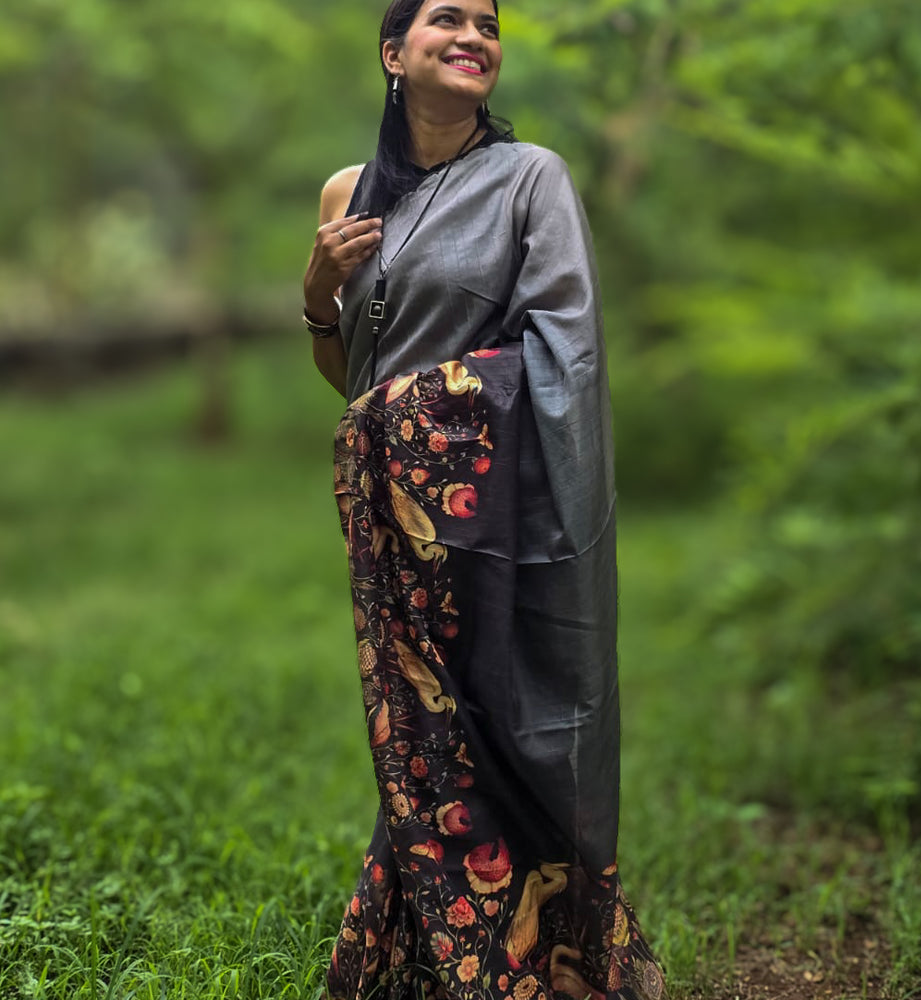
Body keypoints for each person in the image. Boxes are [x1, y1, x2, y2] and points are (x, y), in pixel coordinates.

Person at [301, 3, 665, 999]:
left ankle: (545, 948)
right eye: (447, 17)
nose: (474, 33)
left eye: (488, 23)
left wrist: (429, 405)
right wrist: (315, 292)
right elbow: (355, 376)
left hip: (500, 506)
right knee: (423, 731)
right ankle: (428, 944)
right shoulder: (349, 192)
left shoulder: (527, 179)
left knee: (507, 711)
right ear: (393, 53)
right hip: (396, 513)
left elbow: (564, 349)